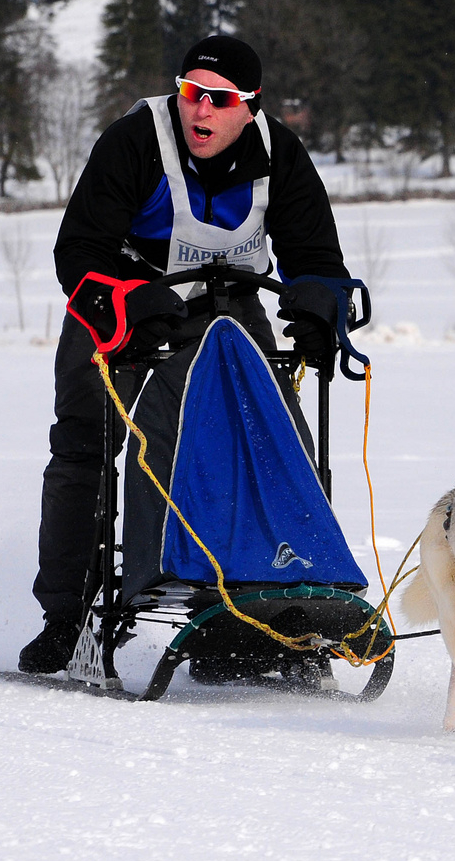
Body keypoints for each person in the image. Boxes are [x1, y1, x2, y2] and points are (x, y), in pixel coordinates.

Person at [19, 35, 351, 674]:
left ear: (249, 106)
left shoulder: (280, 152)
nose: (199, 111)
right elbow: (79, 251)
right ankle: (66, 615)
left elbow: (316, 257)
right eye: (191, 92)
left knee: (273, 436)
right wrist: (127, 302)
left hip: (227, 301)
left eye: (218, 99)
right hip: (122, 295)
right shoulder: (137, 137)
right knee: (86, 442)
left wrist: (317, 309)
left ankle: (269, 608)